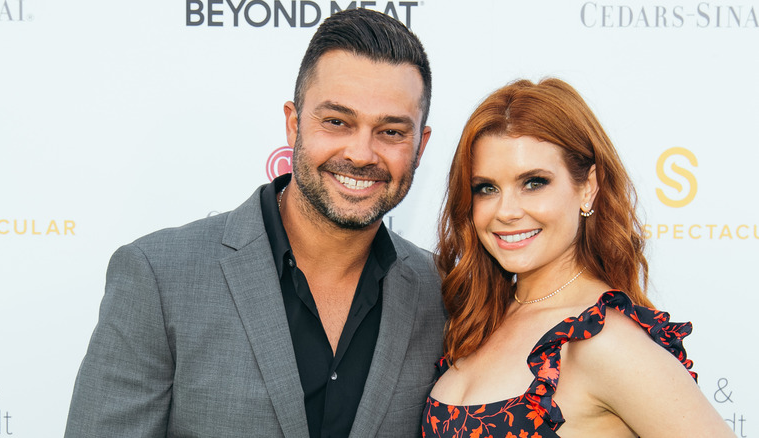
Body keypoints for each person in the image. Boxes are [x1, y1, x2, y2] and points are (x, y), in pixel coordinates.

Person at [65, 8, 446, 438]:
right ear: (293, 123)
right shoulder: (159, 278)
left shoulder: (446, 292)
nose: (361, 153)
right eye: (337, 121)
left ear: (420, 145)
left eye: (391, 131)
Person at [421, 79, 732, 437]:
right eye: (486, 188)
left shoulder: (606, 341)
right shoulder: (478, 319)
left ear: (588, 188)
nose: (505, 211)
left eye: (534, 182)